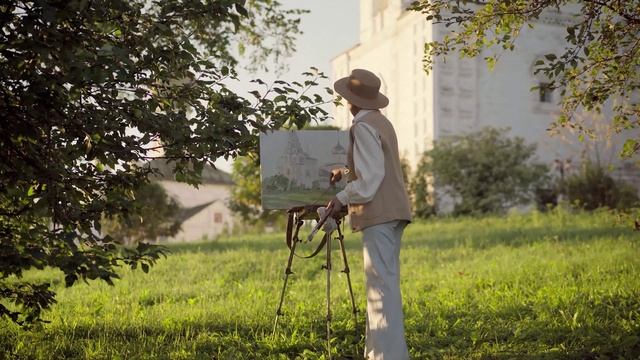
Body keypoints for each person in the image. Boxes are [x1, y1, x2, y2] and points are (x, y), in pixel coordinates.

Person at [328, 68, 412, 360]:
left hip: (379, 212)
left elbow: (371, 178)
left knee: (381, 289)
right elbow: (373, 165)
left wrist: (340, 197)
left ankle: (387, 357)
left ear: (351, 101)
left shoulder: (362, 126)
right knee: (384, 285)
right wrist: (346, 171)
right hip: (394, 211)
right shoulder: (381, 122)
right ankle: (380, 354)